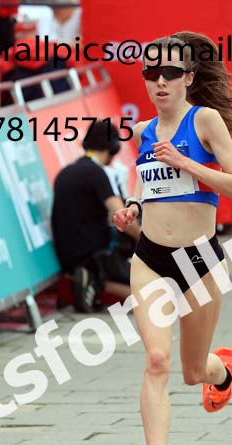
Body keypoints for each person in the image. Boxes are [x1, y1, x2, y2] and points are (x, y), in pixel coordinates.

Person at [112, 31, 232, 445]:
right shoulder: (145, 131)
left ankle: (221, 370)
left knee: (193, 372)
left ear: (189, 77)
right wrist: (131, 205)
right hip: (150, 258)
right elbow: (144, 178)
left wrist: (187, 160)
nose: (160, 81)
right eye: (151, 73)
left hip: (199, 261)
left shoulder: (204, 120)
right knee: (155, 361)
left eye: (171, 73)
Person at [51, 119, 141, 312]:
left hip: (67, 256)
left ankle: (90, 281)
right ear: (114, 147)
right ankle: (96, 282)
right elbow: (122, 215)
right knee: (150, 296)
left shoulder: (65, 172)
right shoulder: (97, 173)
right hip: (94, 254)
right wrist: (144, 239)